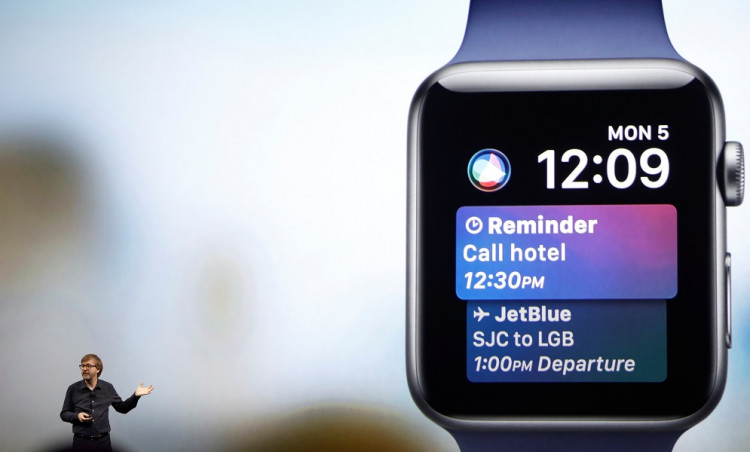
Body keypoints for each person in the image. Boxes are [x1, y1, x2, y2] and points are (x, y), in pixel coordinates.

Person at [60, 354, 154, 452]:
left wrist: (135, 396)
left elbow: (123, 408)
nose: (84, 369)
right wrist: (77, 416)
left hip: (103, 443)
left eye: (88, 366)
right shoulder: (73, 389)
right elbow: (64, 414)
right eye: (82, 366)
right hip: (81, 442)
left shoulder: (108, 388)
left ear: (98, 369)